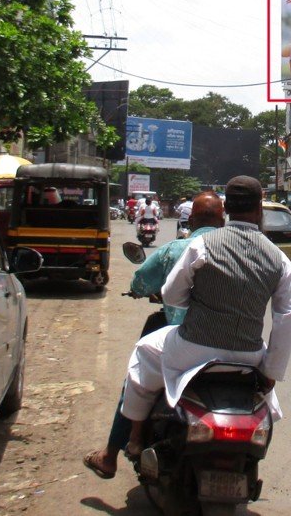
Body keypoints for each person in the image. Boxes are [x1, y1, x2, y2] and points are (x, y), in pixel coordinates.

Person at [120, 176, 291, 456]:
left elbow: (171, 295)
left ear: (226, 208)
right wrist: (271, 372)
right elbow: (285, 318)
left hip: (193, 350)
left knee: (144, 352)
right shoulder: (279, 259)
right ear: (259, 209)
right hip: (248, 357)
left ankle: (134, 438)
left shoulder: (202, 245)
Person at [82, 192, 225, 479]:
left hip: (181, 339)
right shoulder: (237, 251)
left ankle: (114, 453)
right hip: (229, 345)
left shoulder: (176, 250)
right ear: (222, 220)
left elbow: (143, 281)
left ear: (191, 219)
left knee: (137, 375)